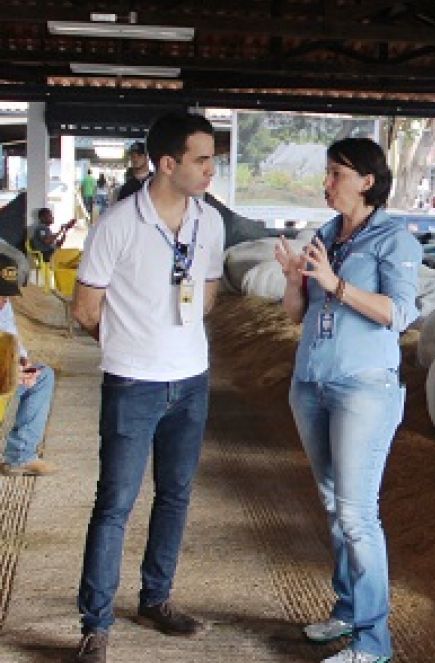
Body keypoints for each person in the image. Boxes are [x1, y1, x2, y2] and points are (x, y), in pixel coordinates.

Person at [70, 112, 225, 663]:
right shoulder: (116, 224)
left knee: (176, 496)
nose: (212, 168)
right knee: (114, 502)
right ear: (167, 164)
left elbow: (206, 295)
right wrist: (129, 343)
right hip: (133, 382)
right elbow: (86, 308)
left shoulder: (211, 222)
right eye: (201, 159)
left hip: (191, 381)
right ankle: (96, 624)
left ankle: (155, 600)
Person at [274, 137, 420, 663]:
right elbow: (296, 316)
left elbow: (399, 314)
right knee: (335, 505)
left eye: (337, 172)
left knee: (358, 515)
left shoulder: (395, 240)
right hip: (311, 381)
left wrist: (336, 285)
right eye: (328, 172)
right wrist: (295, 282)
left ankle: (373, 643)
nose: (327, 182)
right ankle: (347, 610)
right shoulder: (326, 234)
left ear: (367, 180)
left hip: (364, 387)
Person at [0, 253, 58, 476]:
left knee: (43, 376)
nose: (3, 302)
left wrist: (22, 364)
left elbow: (11, 337)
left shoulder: (3, 306)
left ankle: (20, 456)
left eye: (6, 295)